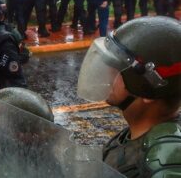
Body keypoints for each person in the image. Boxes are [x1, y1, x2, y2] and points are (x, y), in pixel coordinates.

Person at [77, 16, 181, 177]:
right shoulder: (131, 137)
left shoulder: (165, 161)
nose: (108, 73)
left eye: (116, 67)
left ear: (147, 90)